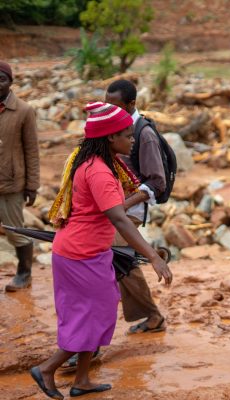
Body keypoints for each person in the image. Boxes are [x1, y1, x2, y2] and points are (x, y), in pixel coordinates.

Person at [30, 102, 172, 399]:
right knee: (91, 316)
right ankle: (47, 368)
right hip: (80, 254)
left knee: (97, 313)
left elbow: (115, 211)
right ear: (110, 138)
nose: (132, 141)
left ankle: (81, 380)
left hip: (85, 251)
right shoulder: (100, 173)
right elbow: (119, 218)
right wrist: (154, 257)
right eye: (127, 135)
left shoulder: (100, 163)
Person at [104, 79, 169, 335]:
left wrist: (122, 204)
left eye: (116, 105)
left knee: (123, 264)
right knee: (122, 264)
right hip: (115, 208)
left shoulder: (145, 135)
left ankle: (152, 316)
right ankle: (151, 316)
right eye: (106, 105)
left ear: (131, 104)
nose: (110, 110)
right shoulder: (114, 127)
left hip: (127, 211)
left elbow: (157, 180)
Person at [0, 61, 40, 292]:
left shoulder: (24, 110)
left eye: (2, 80)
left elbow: (32, 151)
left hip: (11, 184)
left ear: (11, 82)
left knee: (15, 231)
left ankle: (24, 273)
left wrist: (32, 186)